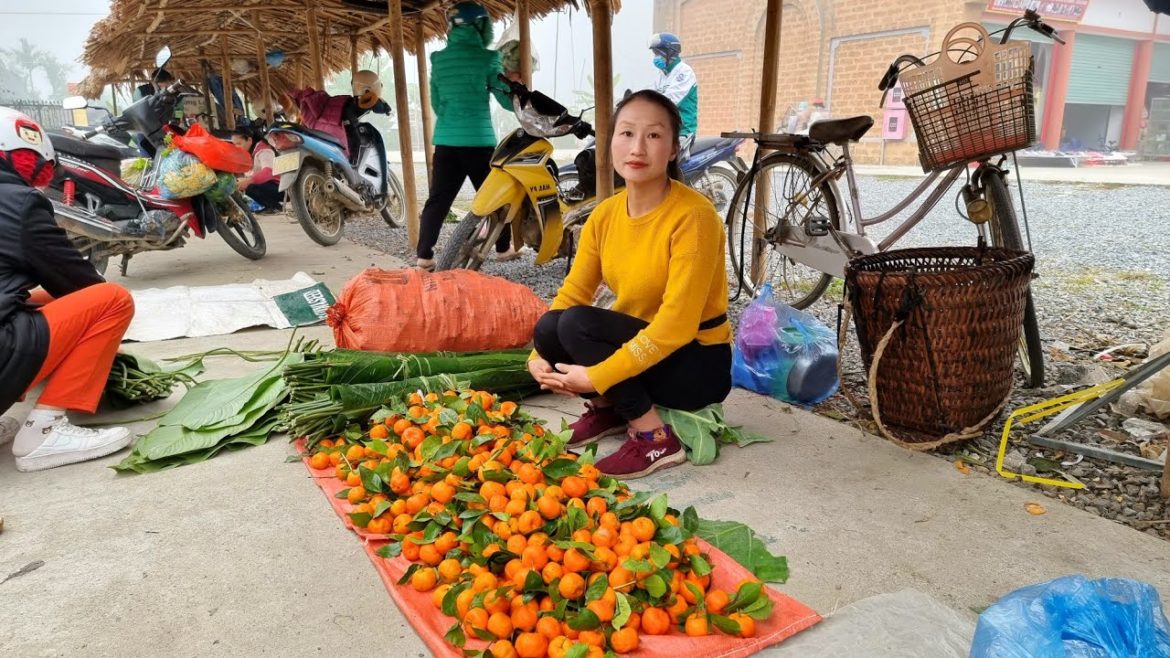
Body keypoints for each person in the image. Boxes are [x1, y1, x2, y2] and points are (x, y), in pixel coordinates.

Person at [528, 90, 732, 479]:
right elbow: (573, 293)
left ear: (673, 149)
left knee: (578, 324)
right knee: (550, 327)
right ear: (611, 142)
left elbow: (676, 326)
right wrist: (537, 357)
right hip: (648, 350)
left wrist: (596, 377)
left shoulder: (695, 217)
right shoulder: (605, 215)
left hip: (696, 365)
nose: (637, 148)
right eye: (626, 133)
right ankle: (608, 411)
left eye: (653, 135)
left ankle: (655, 437)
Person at [0, 108, 135, 472]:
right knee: (112, 301)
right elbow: (79, 282)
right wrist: (99, 343)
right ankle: (43, 433)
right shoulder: (18, 202)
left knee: (36, 301)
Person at [418, 1, 517, 270]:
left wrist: (452, 120)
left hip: (446, 142)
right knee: (496, 197)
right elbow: (506, 100)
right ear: (482, 26)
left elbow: (436, 103)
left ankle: (424, 255)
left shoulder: (439, 60)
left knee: (438, 200)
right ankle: (503, 248)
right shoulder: (488, 58)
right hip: (478, 142)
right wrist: (517, 88)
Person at [649, 32, 699, 138]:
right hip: (665, 132)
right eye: (655, 54)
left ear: (670, 52)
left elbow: (669, 101)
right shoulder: (662, 75)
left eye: (658, 54)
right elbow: (651, 97)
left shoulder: (684, 71)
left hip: (682, 133)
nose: (656, 57)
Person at [230, 126, 282, 213]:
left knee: (249, 186)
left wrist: (248, 180)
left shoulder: (264, 150)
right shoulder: (249, 152)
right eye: (234, 144)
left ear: (249, 140)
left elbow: (268, 171)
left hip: (279, 188)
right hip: (268, 187)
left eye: (238, 144)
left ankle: (273, 206)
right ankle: (271, 205)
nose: (236, 147)